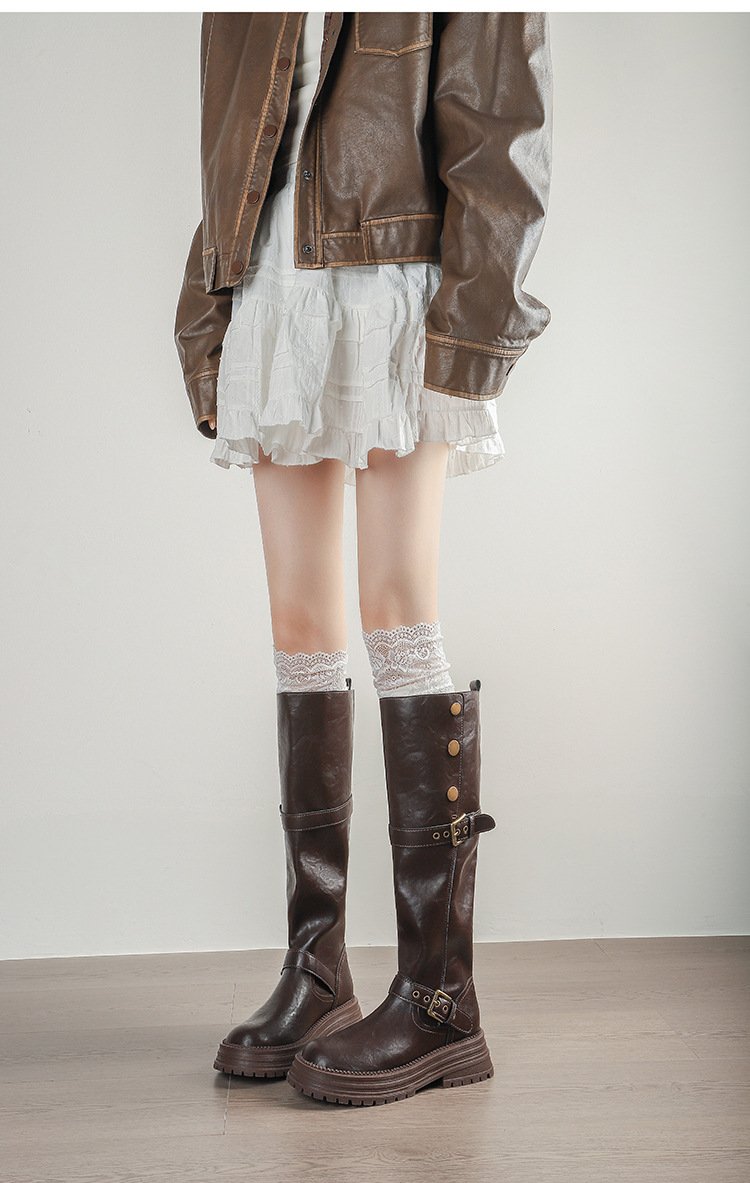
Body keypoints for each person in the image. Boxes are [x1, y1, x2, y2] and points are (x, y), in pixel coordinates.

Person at [175, 11, 552, 1106]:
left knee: (398, 610)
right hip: (269, 286)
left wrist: (474, 327)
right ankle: (318, 967)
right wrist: (207, 311)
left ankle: (439, 997)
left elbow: (501, 131)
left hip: (394, 284)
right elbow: (228, 149)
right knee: (299, 625)